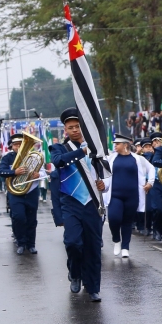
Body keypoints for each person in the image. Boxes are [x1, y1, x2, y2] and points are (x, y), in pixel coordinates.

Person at [50, 108, 107, 302]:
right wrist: (81, 151)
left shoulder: (95, 148)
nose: (75, 130)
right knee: (73, 243)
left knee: (93, 247)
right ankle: (74, 273)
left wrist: (103, 184)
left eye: (78, 126)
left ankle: (93, 287)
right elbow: (58, 162)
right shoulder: (59, 148)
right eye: (71, 127)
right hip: (71, 203)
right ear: (65, 129)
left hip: (92, 203)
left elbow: (104, 172)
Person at [106, 134, 154, 258]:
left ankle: (125, 247)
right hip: (115, 195)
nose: (115, 146)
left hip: (132, 195)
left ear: (125, 145)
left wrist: (150, 183)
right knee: (114, 218)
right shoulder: (111, 158)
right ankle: (116, 239)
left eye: (118, 144)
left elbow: (151, 168)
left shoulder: (137, 159)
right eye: (115, 144)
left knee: (127, 222)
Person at [0, 134, 45, 255]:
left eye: (21, 144)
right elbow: (1, 171)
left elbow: (44, 172)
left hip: (31, 191)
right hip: (15, 192)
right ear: (11, 146)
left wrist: (38, 175)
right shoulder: (7, 158)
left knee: (31, 219)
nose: (18, 146)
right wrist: (14, 172)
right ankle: (21, 243)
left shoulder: (34, 156)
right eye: (16, 144)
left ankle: (31, 244)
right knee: (19, 217)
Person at [145, 132, 162, 242]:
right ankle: (156, 229)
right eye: (154, 141)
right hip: (155, 183)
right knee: (158, 209)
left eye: (158, 140)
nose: (156, 143)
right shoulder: (149, 155)